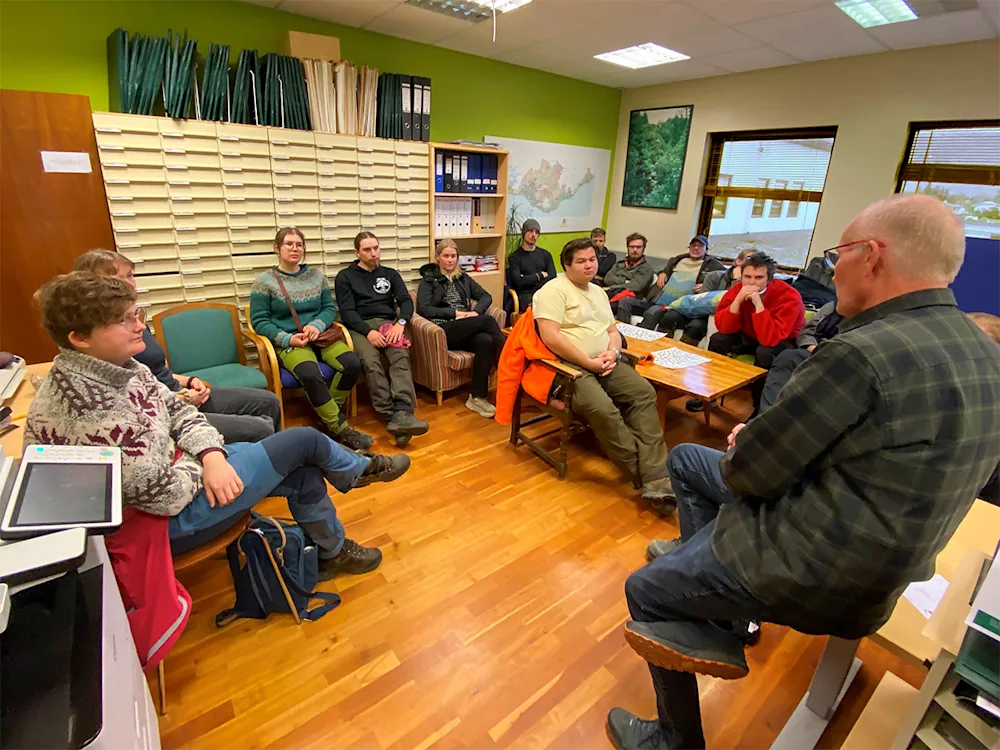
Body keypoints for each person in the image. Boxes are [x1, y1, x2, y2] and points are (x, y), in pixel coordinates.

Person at [608, 194, 1000, 750]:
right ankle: (716, 611)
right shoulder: (986, 352)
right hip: (888, 570)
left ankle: (675, 737)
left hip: (810, 565)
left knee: (644, 588)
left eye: (839, 252)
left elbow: (749, 475)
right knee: (691, 460)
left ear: (872, 255)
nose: (832, 265)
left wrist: (754, 439)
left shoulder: (862, 352)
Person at [26, 272, 413, 579]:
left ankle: (332, 552)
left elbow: (178, 413)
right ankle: (358, 470)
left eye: (136, 315)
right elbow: (166, 497)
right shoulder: (86, 412)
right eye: (122, 320)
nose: (138, 327)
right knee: (304, 442)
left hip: (186, 474)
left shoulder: (123, 368)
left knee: (306, 470)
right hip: (165, 525)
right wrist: (206, 463)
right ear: (79, 338)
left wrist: (210, 452)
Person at [73, 249, 282, 445]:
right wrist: (184, 398)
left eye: (131, 276)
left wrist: (189, 381)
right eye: (123, 278)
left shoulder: (132, 320)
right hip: (168, 409)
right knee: (260, 428)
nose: (132, 284)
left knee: (269, 401)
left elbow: (156, 373)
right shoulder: (106, 342)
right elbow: (141, 402)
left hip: (177, 393)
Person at [533, 238, 675, 508]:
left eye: (592, 260)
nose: (589, 265)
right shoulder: (553, 290)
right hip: (570, 367)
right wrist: (588, 361)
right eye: (581, 261)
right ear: (566, 265)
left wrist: (614, 353)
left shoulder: (598, 292)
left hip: (606, 361)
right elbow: (550, 337)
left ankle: (655, 477)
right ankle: (652, 477)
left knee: (644, 393)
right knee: (604, 410)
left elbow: (612, 331)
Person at [248, 228, 372, 451]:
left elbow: (327, 308)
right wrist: (287, 339)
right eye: (289, 244)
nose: (295, 249)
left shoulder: (316, 276)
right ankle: (339, 427)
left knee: (352, 364)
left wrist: (316, 325)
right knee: (310, 373)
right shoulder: (264, 281)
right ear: (277, 248)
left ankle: (324, 416)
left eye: (299, 244)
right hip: (291, 342)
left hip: (321, 337)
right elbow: (259, 321)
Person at [334, 232, 429, 446]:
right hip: (360, 328)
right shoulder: (345, 277)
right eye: (367, 249)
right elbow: (347, 312)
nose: (374, 253)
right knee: (371, 363)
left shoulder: (390, 274)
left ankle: (404, 410)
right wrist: (368, 332)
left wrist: (400, 323)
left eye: (376, 248)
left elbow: (405, 301)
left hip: (389, 325)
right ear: (357, 252)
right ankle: (391, 415)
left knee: (400, 357)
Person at [686, 252, 805, 414]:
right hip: (751, 334)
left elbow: (770, 338)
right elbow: (724, 327)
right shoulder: (737, 290)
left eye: (758, 278)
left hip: (782, 340)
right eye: (747, 277)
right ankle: (710, 393)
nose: (751, 282)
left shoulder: (789, 296)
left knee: (764, 352)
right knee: (718, 339)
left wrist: (758, 304)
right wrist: (737, 301)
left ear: (769, 279)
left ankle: (759, 408)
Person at [417, 239, 506, 418]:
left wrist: (475, 313)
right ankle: (509, 363)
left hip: (465, 326)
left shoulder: (462, 277)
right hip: (443, 330)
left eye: (453, 256)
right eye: (446, 256)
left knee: (485, 340)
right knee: (488, 321)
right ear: (437, 257)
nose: (450, 260)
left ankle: (477, 397)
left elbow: (485, 296)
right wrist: (456, 314)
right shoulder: (428, 280)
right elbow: (424, 309)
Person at [615, 236, 725, 325]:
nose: (696, 248)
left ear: (706, 249)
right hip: (654, 301)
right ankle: (622, 334)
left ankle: (639, 341)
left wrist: (707, 286)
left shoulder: (712, 265)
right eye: (693, 245)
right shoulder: (678, 260)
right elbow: (664, 270)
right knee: (625, 301)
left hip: (675, 308)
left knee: (652, 312)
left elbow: (727, 278)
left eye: (700, 246)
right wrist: (663, 273)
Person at [759, 299, 842, 413]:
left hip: (840, 359)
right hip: (813, 350)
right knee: (784, 356)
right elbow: (807, 332)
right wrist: (812, 347)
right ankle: (764, 414)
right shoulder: (833, 306)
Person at [507, 218, 556, 310]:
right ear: (524, 233)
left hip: (544, 292)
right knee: (537, 307)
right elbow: (519, 281)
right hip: (526, 295)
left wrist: (528, 279)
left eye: (536, 232)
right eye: (530, 231)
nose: (534, 235)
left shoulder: (545, 254)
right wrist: (540, 275)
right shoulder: (515, 257)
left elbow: (552, 277)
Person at [602, 233, 654, 303]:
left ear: (643, 249)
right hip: (610, 294)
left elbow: (634, 287)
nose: (635, 250)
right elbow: (607, 279)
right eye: (632, 247)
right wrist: (625, 281)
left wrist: (610, 288)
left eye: (638, 247)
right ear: (627, 248)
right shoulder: (620, 263)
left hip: (629, 300)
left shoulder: (646, 268)